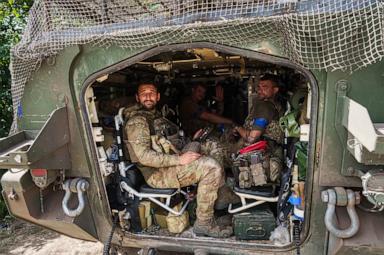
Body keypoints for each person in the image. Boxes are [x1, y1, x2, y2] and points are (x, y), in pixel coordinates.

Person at [124, 82, 233, 238]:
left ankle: (217, 197)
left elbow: (169, 144)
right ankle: (204, 223)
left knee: (212, 145)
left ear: (158, 96)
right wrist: (179, 159)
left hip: (170, 164)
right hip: (158, 175)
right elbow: (145, 157)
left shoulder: (157, 117)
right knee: (211, 167)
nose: (148, 96)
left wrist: (191, 141)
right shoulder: (138, 121)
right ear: (137, 97)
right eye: (143, 93)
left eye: (151, 93)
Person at [232, 74, 285, 184]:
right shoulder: (276, 106)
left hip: (260, 158)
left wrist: (236, 126)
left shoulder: (265, 106)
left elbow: (252, 138)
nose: (260, 90)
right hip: (271, 154)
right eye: (259, 87)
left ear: (275, 90)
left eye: (265, 87)